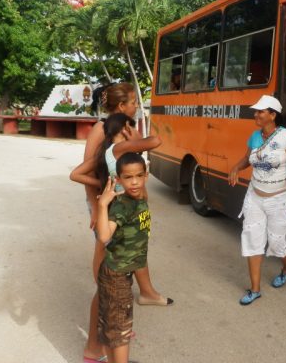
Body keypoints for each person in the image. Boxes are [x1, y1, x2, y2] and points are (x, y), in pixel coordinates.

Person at [75, 83, 170, 363]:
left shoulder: (117, 136)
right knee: (107, 282)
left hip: (122, 208)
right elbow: (89, 169)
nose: (136, 107)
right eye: (133, 103)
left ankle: (116, 334)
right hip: (110, 211)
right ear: (121, 108)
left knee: (120, 272)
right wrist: (97, 204)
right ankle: (96, 346)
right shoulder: (107, 134)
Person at [228, 95, 286, 305]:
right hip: (255, 197)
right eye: (256, 111)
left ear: (273, 115)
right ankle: (255, 289)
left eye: (261, 111)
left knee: (277, 241)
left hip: (280, 198)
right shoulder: (255, 136)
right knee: (252, 239)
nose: (256, 114)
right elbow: (247, 158)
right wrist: (236, 167)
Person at [95, 152, 151, 363]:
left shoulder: (140, 196)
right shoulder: (122, 205)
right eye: (128, 177)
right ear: (118, 179)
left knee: (112, 324)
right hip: (116, 276)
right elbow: (104, 236)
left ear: (146, 175)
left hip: (121, 272)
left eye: (139, 175)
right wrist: (102, 205)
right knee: (120, 329)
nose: (135, 182)